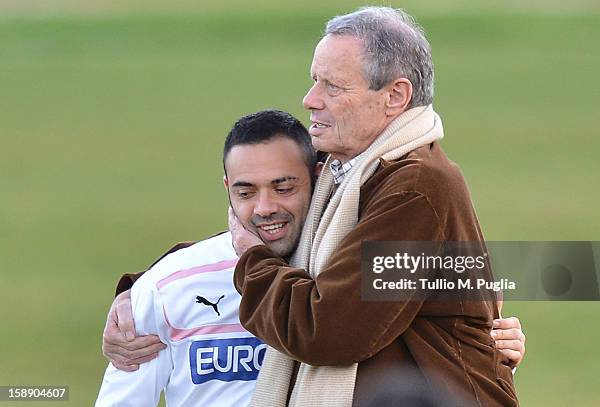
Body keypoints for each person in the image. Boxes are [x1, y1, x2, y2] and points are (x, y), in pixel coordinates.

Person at [229, 6, 519, 406]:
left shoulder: (415, 188)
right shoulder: (345, 173)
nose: (310, 99)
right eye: (315, 81)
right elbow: (265, 232)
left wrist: (254, 265)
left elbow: (327, 330)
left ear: (395, 96)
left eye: (333, 87)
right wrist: (145, 290)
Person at [95, 110, 318, 406]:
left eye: (284, 188)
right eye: (246, 192)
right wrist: (139, 294)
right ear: (228, 188)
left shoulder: (343, 269)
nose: (265, 207)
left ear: (317, 177)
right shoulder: (168, 286)